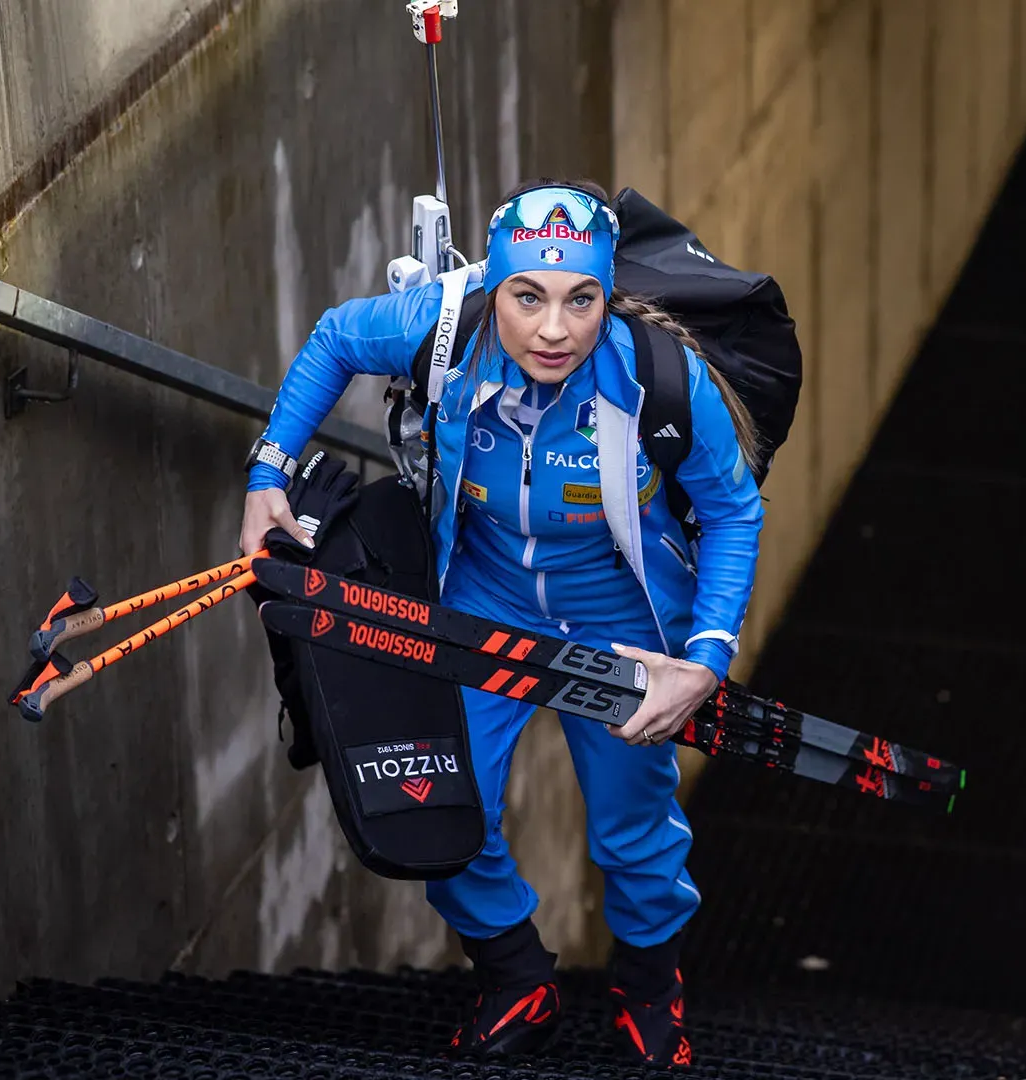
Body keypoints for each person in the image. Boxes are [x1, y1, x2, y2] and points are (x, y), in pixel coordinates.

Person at [238, 178, 765, 1068]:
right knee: (442, 806)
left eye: (581, 300)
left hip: (621, 618)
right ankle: (517, 974)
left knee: (632, 830)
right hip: (482, 605)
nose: (554, 329)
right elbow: (333, 338)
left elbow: (732, 511)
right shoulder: (446, 327)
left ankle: (648, 989)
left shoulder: (658, 377)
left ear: (608, 292)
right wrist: (268, 473)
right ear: (498, 287)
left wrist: (705, 658)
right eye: (528, 297)